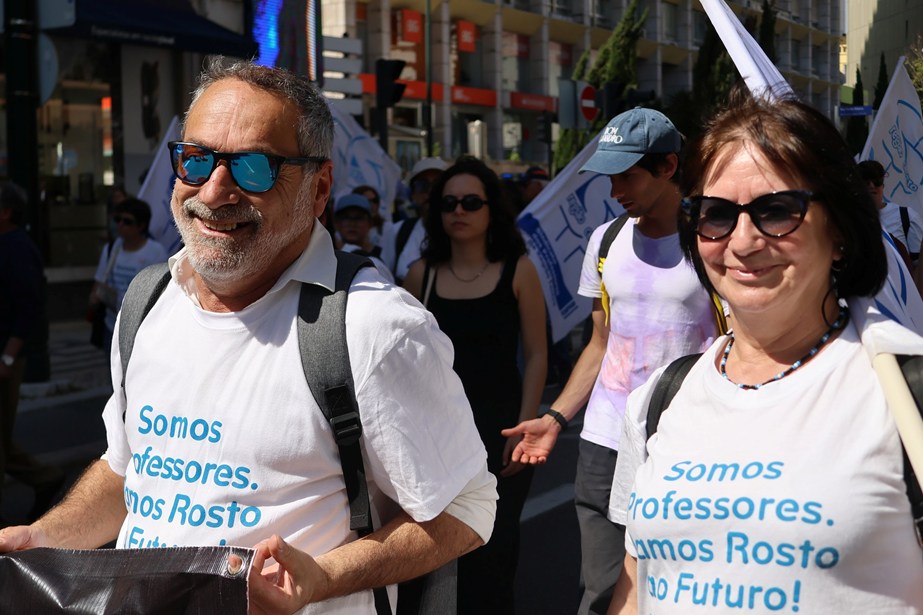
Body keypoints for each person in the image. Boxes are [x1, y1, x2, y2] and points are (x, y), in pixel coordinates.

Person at [0, 58, 497, 614]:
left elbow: (467, 508)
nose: (215, 191)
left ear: (318, 188)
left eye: (254, 167)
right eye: (196, 159)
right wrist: (43, 537)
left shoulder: (375, 328)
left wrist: (322, 578)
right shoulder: (147, 301)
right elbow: (128, 472)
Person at [607, 89, 923, 613]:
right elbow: (636, 586)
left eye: (777, 211)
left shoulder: (904, 391)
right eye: (715, 214)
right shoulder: (662, 399)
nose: (743, 241)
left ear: (841, 230)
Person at [502, 108, 720, 615]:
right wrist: (556, 418)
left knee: (680, 589)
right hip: (604, 441)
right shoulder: (604, 241)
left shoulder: (713, 241)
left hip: (684, 440)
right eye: (609, 176)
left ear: (668, 166)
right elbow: (601, 343)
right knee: (602, 593)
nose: (616, 189)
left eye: (627, 175)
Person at [403, 156, 547, 614]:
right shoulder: (420, 275)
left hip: (501, 431)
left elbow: (537, 353)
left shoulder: (518, 270)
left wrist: (525, 425)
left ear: (491, 209)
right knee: (438, 560)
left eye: (470, 202)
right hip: (437, 438)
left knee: (494, 555)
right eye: (448, 203)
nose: (458, 211)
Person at [0, 182, 65, 526]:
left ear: (6, 212)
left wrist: (9, 357)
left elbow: (28, 308)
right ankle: (46, 478)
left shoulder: (18, 248)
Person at [89, 198, 168, 354]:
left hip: (142, 329)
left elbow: (163, 292)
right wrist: (94, 297)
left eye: (127, 221)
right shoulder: (111, 248)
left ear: (141, 226)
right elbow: (100, 279)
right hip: (112, 327)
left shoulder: (155, 252)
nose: (120, 225)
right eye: (118, 220)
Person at [380, 157, 448, 282]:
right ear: (413, 194)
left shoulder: (464, 233)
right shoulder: (397, 232)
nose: (430, 191)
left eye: (438, 185)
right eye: (422, 185)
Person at [858, 159, 923, 274]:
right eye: (866, 181)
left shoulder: (905, 216)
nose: (872, 186)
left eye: (877, 181)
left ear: (883, 185)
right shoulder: (848, 222)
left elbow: (919, 267)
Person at [334, 193, 394, 283]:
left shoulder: (379, 262)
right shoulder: (327, 257)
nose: (352, 224)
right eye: (346, 217)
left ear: (370, 223)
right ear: (336, 223)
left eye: (359, 218)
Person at [351, 185, 388, 251]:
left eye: (375, 200)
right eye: (367, 201)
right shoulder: (346, 228)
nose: (372, 205)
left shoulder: (387, 228)